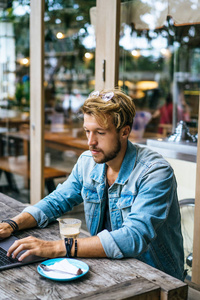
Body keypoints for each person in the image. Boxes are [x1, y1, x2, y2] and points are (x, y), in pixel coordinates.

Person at [0, 89, 184, 281]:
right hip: (107, 268)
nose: (90, 142)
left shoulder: (154, 172)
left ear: (124, 132)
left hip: (155, 277)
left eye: (100, 133)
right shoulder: (87, 161)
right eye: (87, 131)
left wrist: (55, 247)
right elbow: (57, 201)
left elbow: (134, 237)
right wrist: (12, 224)